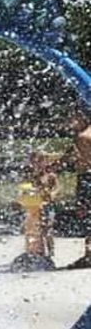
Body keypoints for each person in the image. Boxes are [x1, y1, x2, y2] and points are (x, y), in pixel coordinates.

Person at [64, 113, 91, 270]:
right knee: (86, 217)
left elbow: (81, 142)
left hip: (87, 178)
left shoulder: (83, 135)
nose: (70, 122)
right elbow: (69, 156)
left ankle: (89, 255)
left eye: (73, 118)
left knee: (87, 216)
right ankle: (88, 254)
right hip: (85, 177)